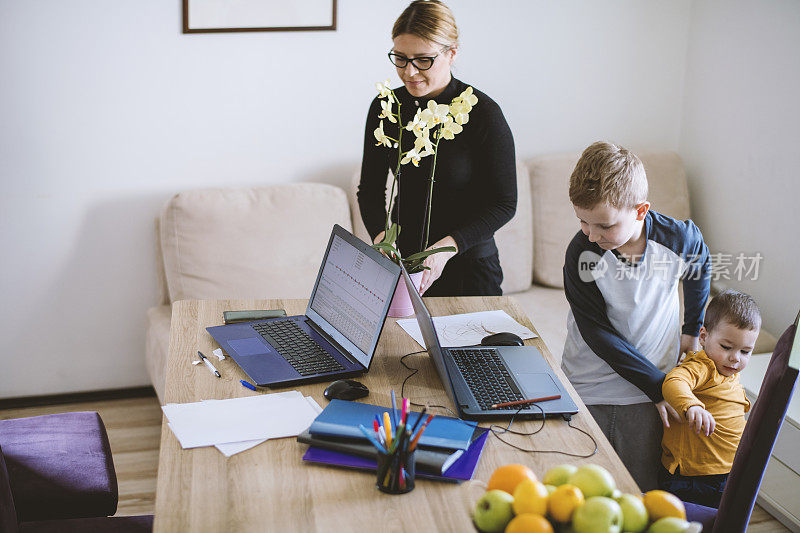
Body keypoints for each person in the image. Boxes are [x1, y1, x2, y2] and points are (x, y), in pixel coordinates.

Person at [561, 141, 712, 491]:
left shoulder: (678, 238)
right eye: (582, 221)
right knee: (587, 489)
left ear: (641, 210)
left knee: (638, 489)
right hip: (594, 385)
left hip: (649, 388)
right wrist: (660, 386)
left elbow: (701, 262)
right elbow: (597, 333)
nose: (591, 235)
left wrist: (691, 331)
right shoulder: (582, 254)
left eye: (604, 226)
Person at [357, 0, 517, 296]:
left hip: (468, 267)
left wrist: (445, 248)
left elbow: (504, 204)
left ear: (451, 53)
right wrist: (382, 239)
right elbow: (368, 190)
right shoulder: (385, 107)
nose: (409, 72)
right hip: (403, 264)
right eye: (400, 58)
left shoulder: (483, 112)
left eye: (423, 59)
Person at [660, 290, 760, 508]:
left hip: (725, 474)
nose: (735, 358)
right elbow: (674, 381)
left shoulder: (730, 372)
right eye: (726, 347)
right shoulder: (702, 366)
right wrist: (692, 405)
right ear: (703, 337)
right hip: (692, 478)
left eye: (745, 351)